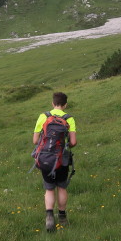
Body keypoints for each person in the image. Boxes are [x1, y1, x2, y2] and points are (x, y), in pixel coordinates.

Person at [33, 91, 77, 232]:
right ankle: (62, 218)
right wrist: (64, 145)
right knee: (62, 188)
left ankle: (49, 217)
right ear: (65, 105)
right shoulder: (69, 119)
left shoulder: (43, 116)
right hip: (62, 159)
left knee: (49, 188)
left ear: (53, 103)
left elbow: (35, 140)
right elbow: (73, 142)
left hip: (45, 158)